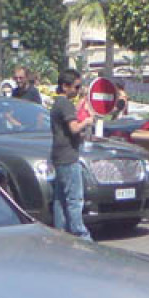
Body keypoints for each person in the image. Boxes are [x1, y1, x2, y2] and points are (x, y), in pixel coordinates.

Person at [48, 68, 92, 240]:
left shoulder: (56, 103)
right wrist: (87, 121)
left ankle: (61, 233)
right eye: (76, 87)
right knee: (74, 198)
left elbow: (67, 130)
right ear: (65, 86)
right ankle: (80, 234)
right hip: (67, 156)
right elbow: (74, 127)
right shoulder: (65, 104)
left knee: (61, 198)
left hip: (59, 154)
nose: (78, 90)